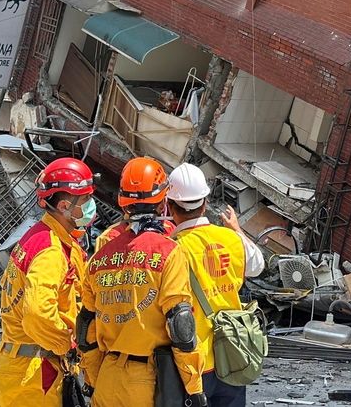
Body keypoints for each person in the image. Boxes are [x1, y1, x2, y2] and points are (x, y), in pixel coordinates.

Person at [78, 156, 206, 407]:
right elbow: (181, 324)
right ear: (163, 202)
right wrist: (194, 388)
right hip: (149, 381)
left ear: (123, 203)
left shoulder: (100, 257)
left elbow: (86, 328)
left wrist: (92, 380)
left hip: (107, 377)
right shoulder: (168, 252)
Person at [0, 157, 96, 406]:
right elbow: (37, 314)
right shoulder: (50, 250)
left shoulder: (38, 236)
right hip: (34, 376)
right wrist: (66, 345)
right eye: (86, 200)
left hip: (17, 366)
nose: (91, 205)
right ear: (65, 206)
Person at [166, 163, 266, 407]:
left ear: (169, 206)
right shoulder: (231, 239)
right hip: (232, 354)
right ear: (205, 203)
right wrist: (237, 230)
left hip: (192, 362)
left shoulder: (172, 249)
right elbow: (258, 265)